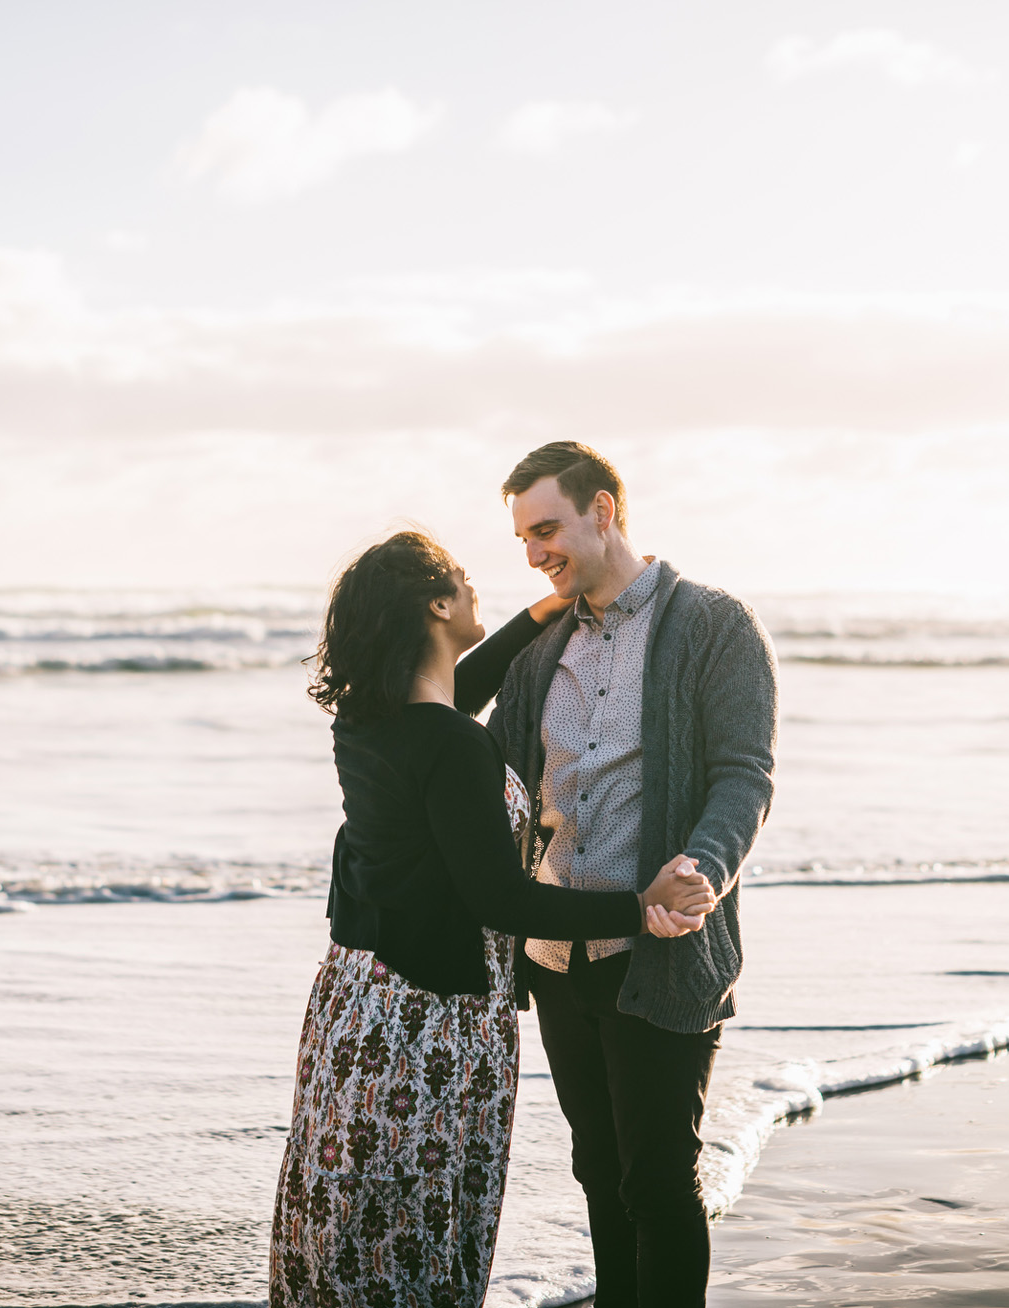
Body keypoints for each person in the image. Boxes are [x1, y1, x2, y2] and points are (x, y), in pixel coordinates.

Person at [270, 530, 719, 1308]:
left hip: (356, 1007)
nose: (478, 587)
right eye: (464, 578)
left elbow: (456, 696)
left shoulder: (369, 721)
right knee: (417, 1232)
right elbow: (503, 902)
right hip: (429, 1027)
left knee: (353, 1227)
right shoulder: (449, 745)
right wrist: (640, 908)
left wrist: (545, 611)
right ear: (438, 606)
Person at [486, 443, 779, 1308]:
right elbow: (476, 752)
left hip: (662, 950)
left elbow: (744, 774)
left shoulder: (714, 624)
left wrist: (704, 868)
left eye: (546, 530)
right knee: (599, 1170)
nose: (534, 553)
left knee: (657, 1179)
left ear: (603, 510)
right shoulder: (540, 652)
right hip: (556, 958)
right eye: (523, 538)